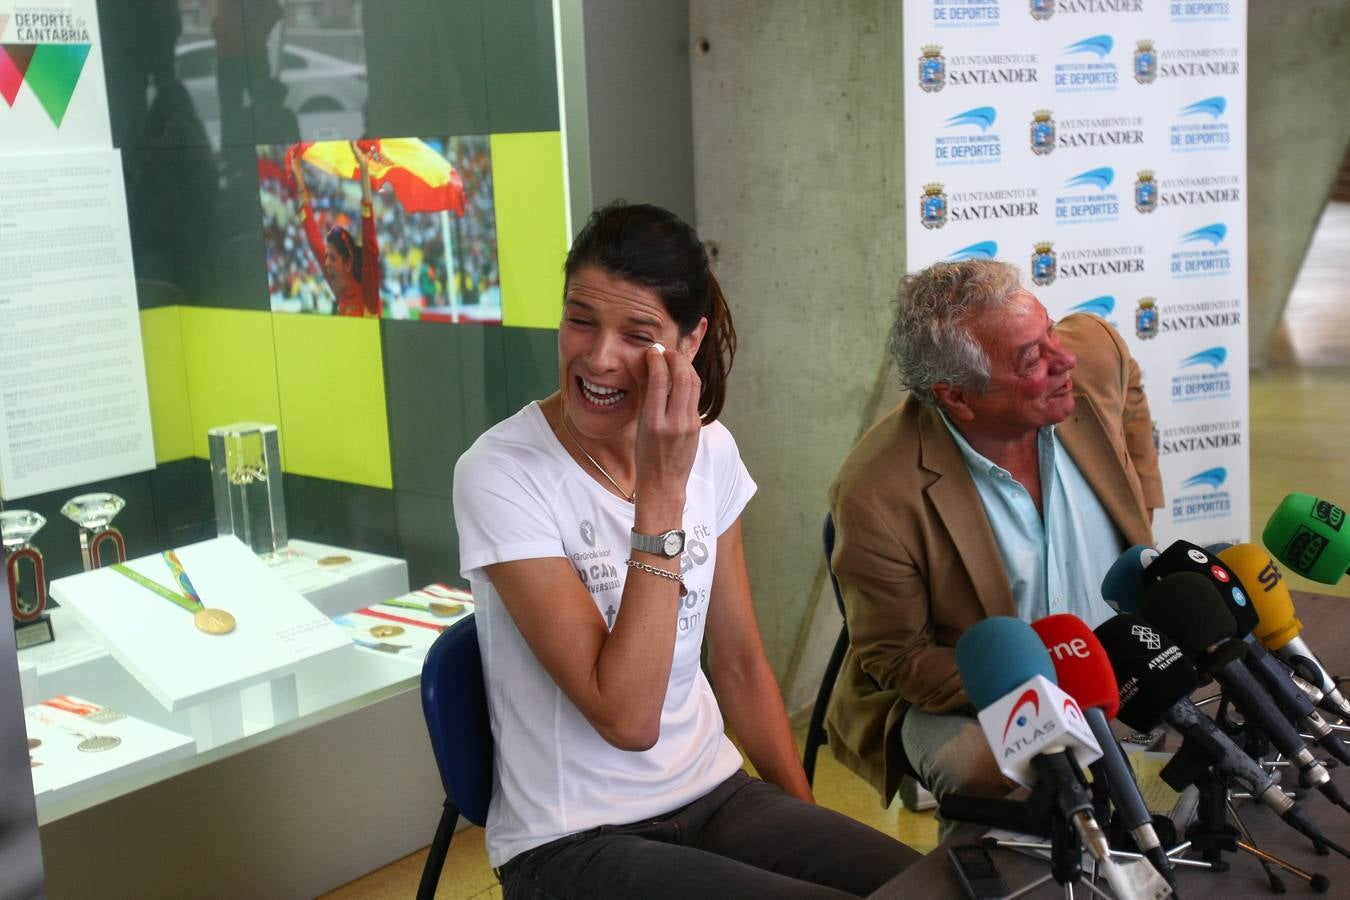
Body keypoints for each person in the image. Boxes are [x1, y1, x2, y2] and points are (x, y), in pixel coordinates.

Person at [453, 202, 919, 898]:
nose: (599, 356)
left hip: (715, 793)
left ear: (689, 340)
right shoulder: (499, 471)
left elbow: (738, 663)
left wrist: (804, 823)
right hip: (573, 842)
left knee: (929, 889)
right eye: (581, 318)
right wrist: (662, 493)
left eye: (637, 333)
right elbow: (629, 719)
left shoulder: (714, 449)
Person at [825, 259, 1163, 834]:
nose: (1064, 361)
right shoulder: (876, 493)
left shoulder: (1092, 356)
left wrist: (1141, 496)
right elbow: (899, 659)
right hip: (964, 685)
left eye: (1049, 332)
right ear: (956, 397)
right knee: (989, 771)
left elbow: (1122, 373)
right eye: (1031, 358)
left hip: (1110, 651)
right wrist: (1046, 695)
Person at [291, 142, 382, 317]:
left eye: (332, 258)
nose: (326, 264)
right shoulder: (339, 289)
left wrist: (364, 168)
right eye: (327, 258)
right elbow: (313, 240)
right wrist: (300, 182)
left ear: (348, 264)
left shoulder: (367, 294)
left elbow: (370, 244)